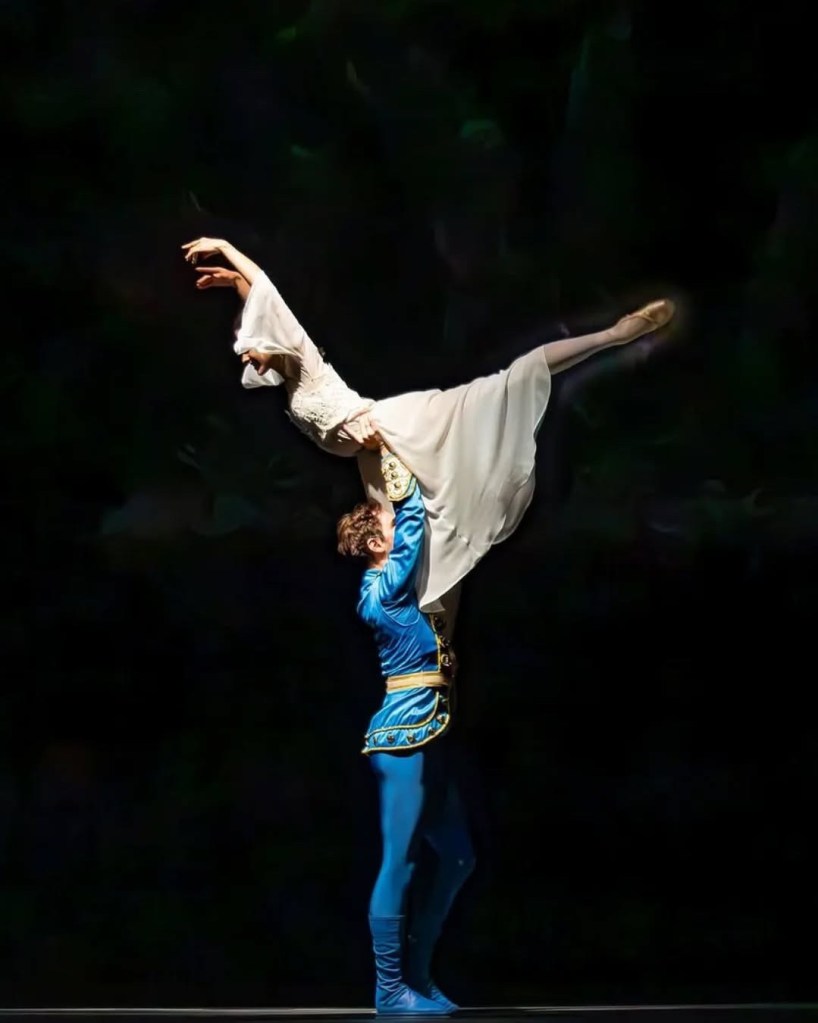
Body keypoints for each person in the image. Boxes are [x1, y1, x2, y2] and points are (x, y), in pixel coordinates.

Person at [182, 237, 675, 619]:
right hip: (369, 455)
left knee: (508, 383)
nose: (245, 356)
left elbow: (270, 304)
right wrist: (235, 284)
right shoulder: (287, 383)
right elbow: (261, 305)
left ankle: (616, 333)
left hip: (392, 426)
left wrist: (227, 249)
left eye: (250, 347)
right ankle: (428, 641)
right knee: (406, 556)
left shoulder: (299, 360)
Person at [336, 445, 475, 1015]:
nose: (395, 524)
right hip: (403, 737)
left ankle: (416, 973)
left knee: (459, 856)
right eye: (386, 523)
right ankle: (390, 987)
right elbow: (413, 528)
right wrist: (402, 479)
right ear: (376, 542)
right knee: (401, 860)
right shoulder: (381, 590)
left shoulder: (396, 588)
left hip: (428, 731)